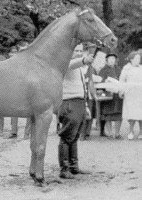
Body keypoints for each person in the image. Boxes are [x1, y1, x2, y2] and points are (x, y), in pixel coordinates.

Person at [58, 43, 94, 179]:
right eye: (76, 50)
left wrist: (85, 106)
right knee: (66, 136)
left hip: (78, 102)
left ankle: (73, 167)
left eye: (81, 51)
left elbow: (82, 87)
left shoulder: (79, 67)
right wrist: (84, 60)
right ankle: (64, 169)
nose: (79, 53)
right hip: (69, 102)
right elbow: (72, 64)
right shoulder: (65, 62)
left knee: (74, 136)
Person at [99, 53, 123, 139]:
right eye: (110, 59)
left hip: (117, 96)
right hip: (108, 95)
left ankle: (117, 133)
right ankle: (109, 133)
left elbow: (123, 79)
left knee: (119, 115)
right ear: (106, 60)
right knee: (108, 115)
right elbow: (100, 81)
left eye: (113, 59)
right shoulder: (103, 70)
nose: (112, 60)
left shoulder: (119, 69)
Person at [119, 51, 142, 139]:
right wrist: (121, 91)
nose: (138, 60)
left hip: (140, 95)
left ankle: (141, 132)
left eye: (139, 59)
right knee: (131, 114)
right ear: (131, 59)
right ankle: (131, 132)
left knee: (141, 114)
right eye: (136, 59)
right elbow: (122, 80)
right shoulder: (126, 68)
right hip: (130, 95)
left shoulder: (141, 68)